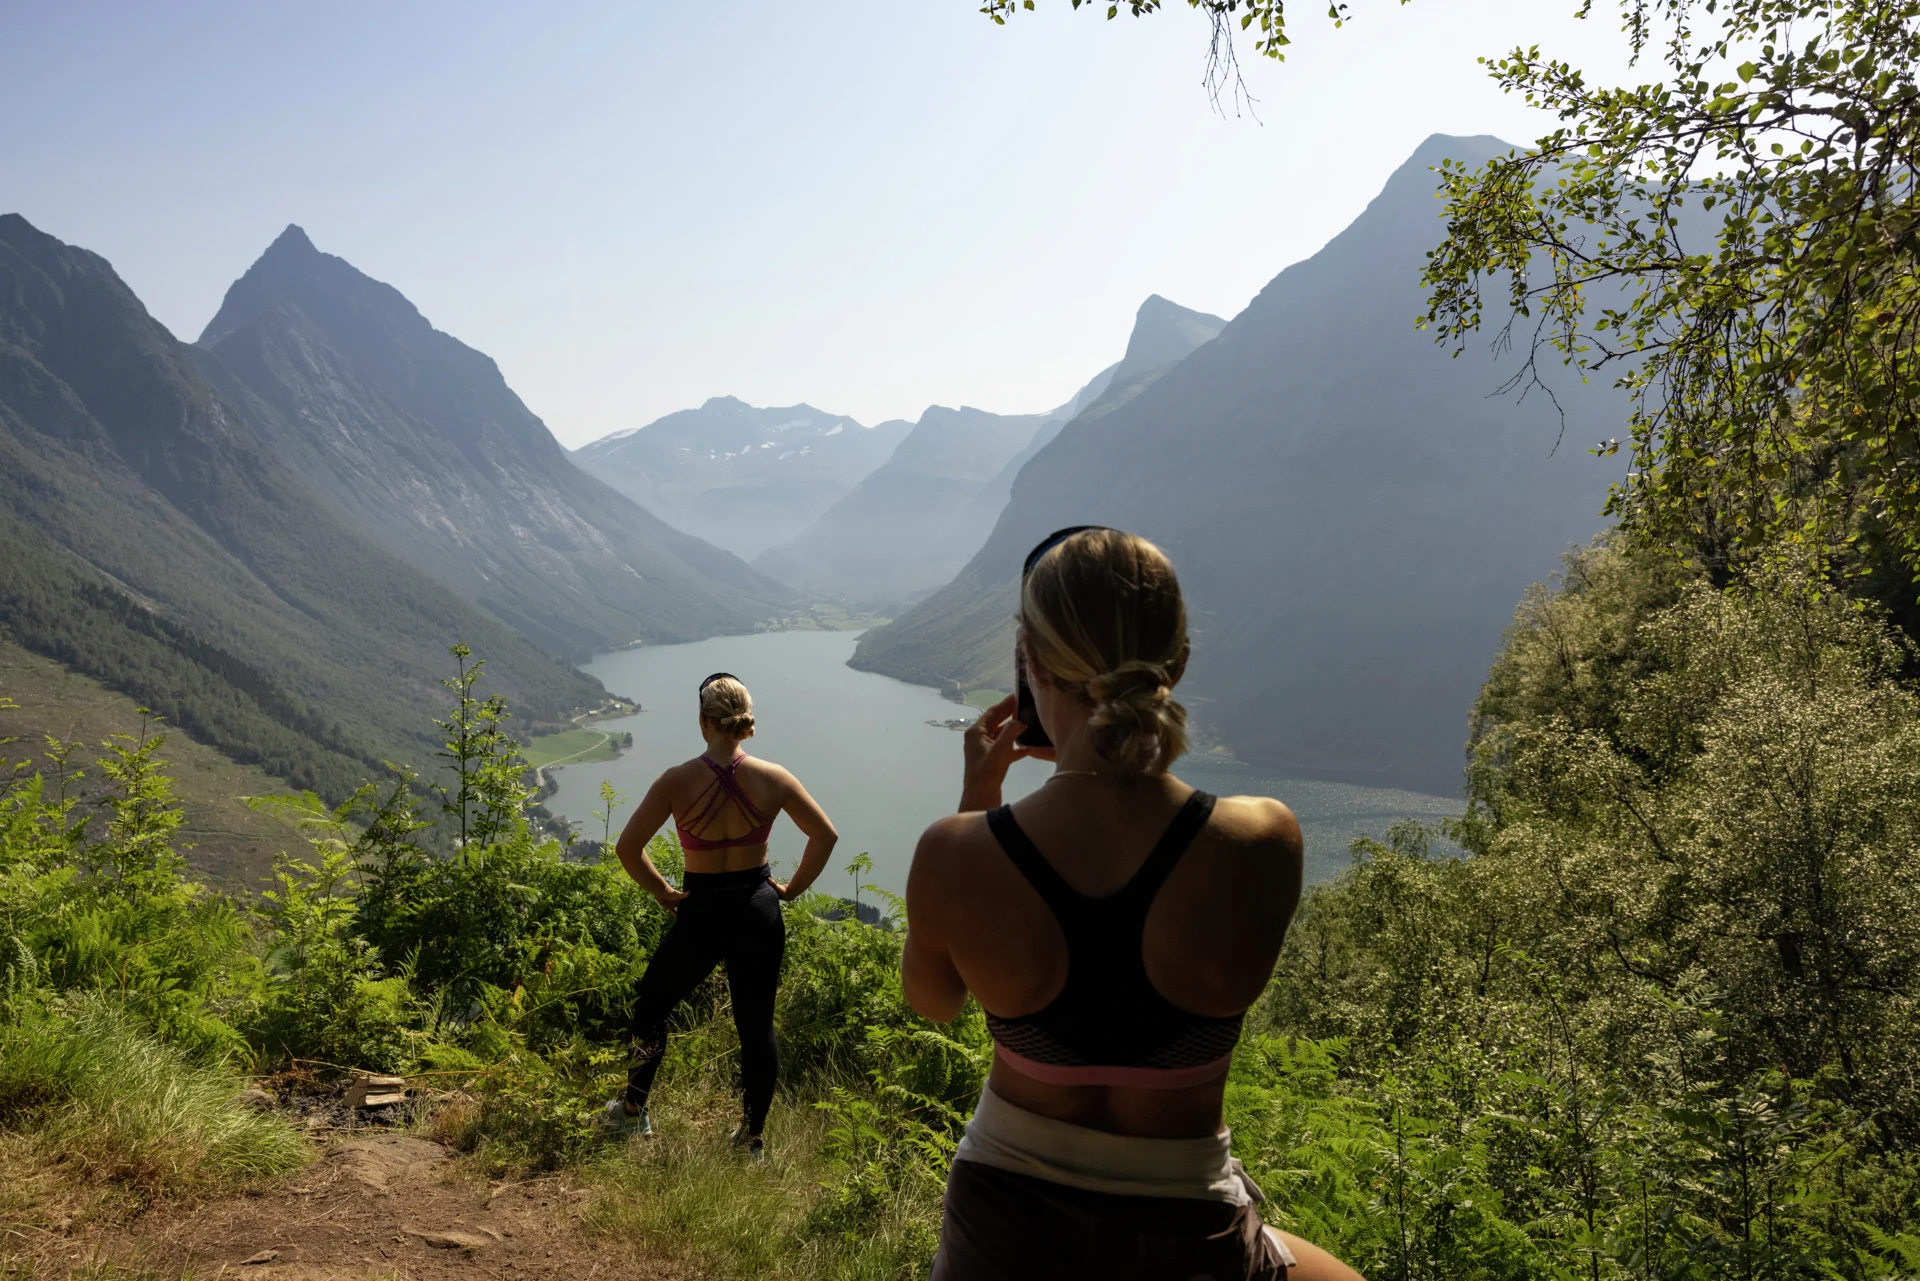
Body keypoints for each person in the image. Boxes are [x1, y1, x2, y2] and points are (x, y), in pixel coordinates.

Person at [903, 528, 1363, 1280]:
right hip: (1188, 1232)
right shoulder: (1263, 838)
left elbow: (933, 1003)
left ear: (1030, 661)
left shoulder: (957, 853)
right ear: (1176, 664)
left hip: (1002, 1233)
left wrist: (976, 806)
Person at [604, 672, 838, 1160]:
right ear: (744, 725)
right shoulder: (774, 778)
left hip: (703, 908)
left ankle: (633, 1112)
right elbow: (826, 836)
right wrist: (793, 890)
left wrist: (664, 892)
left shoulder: (677, 780)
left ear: (703, 722)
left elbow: (628, 848)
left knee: (651, 1006)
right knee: (757, 1027)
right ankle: (751, 1140)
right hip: (757, 905)